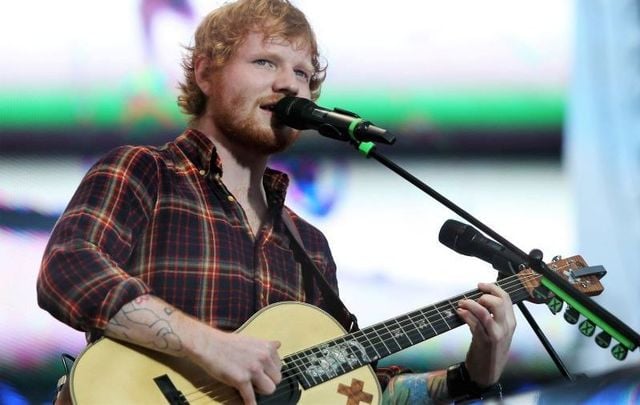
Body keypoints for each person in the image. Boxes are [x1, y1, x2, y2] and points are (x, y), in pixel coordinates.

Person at [37, 0, 516, 403]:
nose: (291, 84)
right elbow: (67, 271)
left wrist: (472, 374)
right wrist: (210, 346)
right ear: (205, 72)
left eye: (303, 73)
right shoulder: (147, 171)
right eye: (266, 62)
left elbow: (352, 388)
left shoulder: (308, 245)